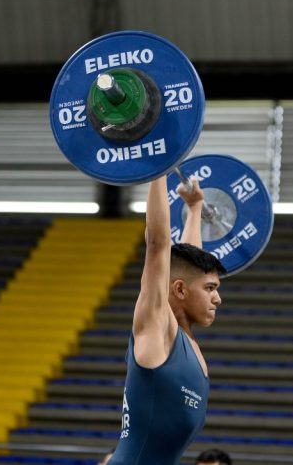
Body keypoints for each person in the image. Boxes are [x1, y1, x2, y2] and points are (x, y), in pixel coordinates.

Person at [107, 176, 226, 465]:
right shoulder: (156, 330)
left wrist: (195, 208)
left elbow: (184, 266)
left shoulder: (183, 341)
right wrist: (157, 169)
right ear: (180, 291)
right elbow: (159, 245)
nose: (217, 299)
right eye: (210, 289)